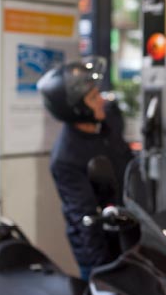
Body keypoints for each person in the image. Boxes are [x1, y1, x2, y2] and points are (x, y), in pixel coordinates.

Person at [37, 56, 133, 281]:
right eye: (92, 97)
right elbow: (84, 218)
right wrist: (102, 274)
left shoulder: (107, 124)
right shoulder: (66, 158)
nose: (101, 99)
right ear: (77, 109)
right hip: (100, 249)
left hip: (129, 235)